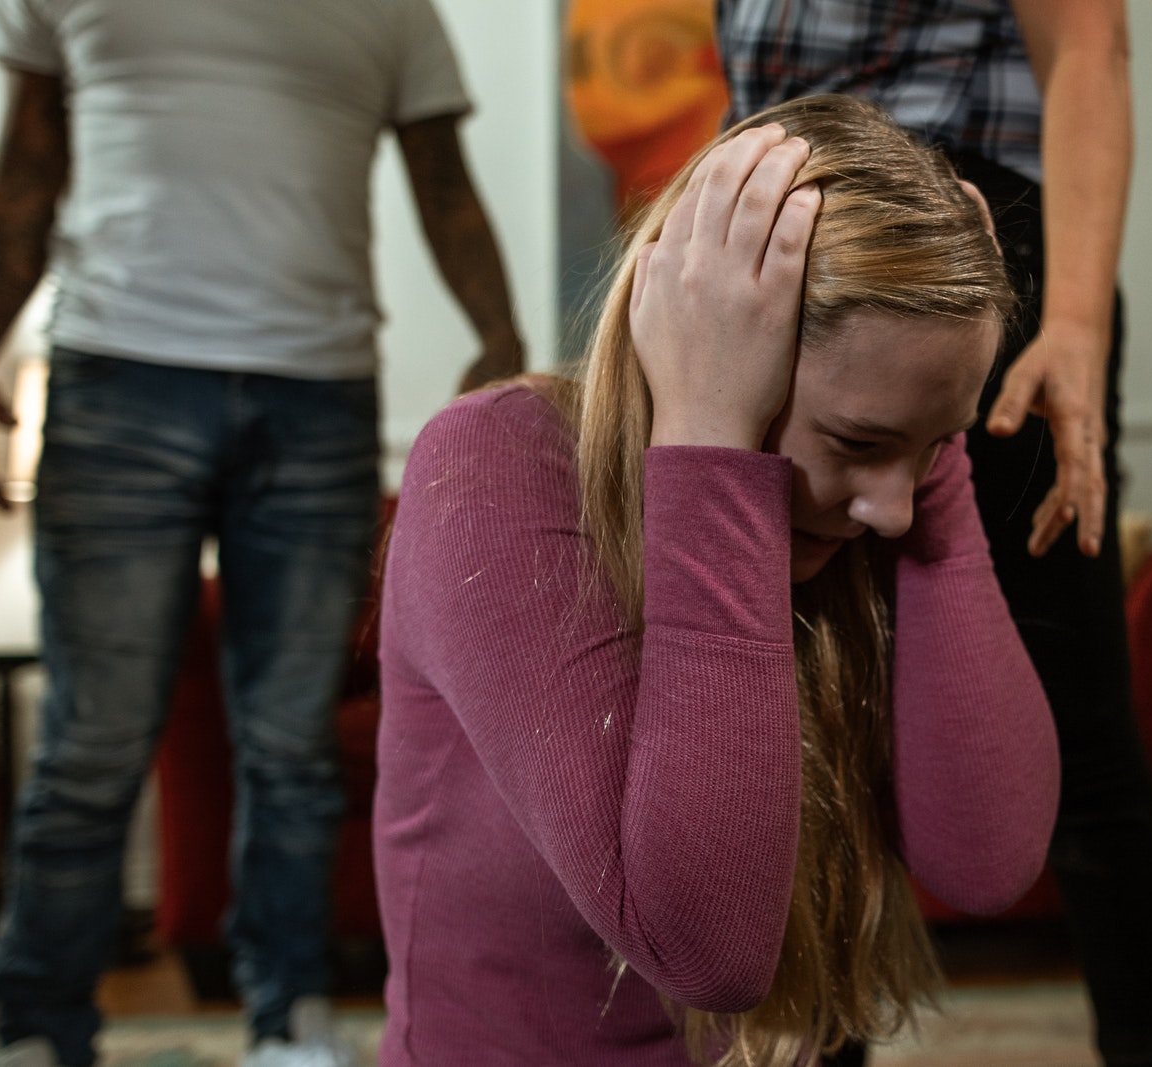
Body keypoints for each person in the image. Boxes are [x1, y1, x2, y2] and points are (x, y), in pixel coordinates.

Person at [373, 94, 1060, 1066]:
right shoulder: (492, 467)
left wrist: (931, 446)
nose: (892, 507)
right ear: (712, 361)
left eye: (927, 451)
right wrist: (705, 439)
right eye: (858, 443)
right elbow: (708, 952)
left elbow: (986, 861)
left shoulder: (861, 504)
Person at [0, 3, 524, 1066]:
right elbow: (27, 168)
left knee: (291, 745)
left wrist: (500, 333)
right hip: (116, 385)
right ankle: (38, 1028)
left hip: (320, 397)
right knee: (91, 741)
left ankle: (286, 1018)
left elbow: (444, 182)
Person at [714, 4, 1152, 1066]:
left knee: (1077, 734)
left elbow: (1085, 45)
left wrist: (1071, 324)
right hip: (793, 272)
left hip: (963, 261)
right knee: (806, 728)